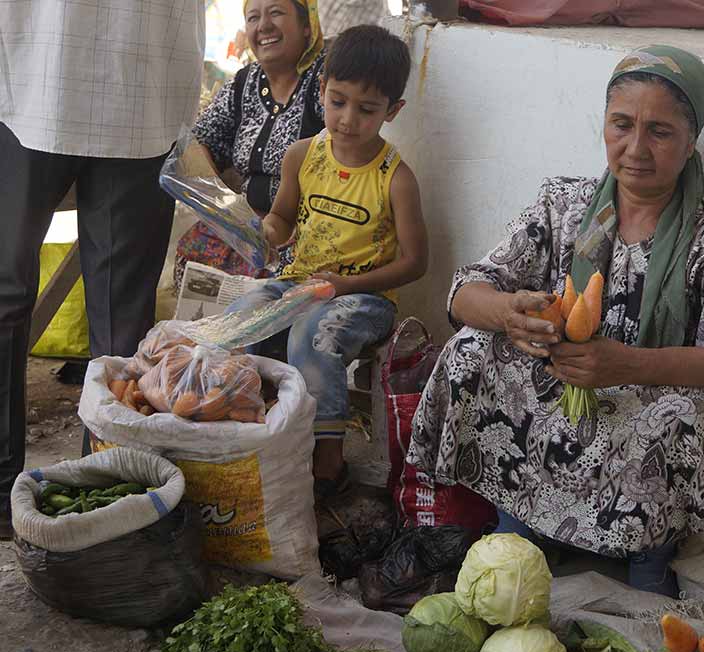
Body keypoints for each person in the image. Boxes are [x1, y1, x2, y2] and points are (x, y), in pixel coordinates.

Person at [405, 46, 704, 596]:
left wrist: (632, 365)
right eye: (621, 125)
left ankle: (648, 559)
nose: (635, 149)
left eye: (660, 132)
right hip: (564, 391)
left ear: (690, 140)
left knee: (678, 415)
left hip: (647, 407)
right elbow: (465, 291)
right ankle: (521, 524)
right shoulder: (564, 206)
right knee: (472, 349)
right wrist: (510, 315)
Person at [0, 1, 206, 539]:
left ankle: (103, 499)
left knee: (119, 326)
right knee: (17, 301)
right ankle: (69, 501)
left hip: (136, 83)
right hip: (27, 78)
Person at [228, 25, 429, 500]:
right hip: (299, 283)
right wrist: (267, 233)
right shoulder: (303, 155)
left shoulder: (395, 179)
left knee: (313, 334)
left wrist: (344, 285)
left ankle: (328, 462)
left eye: (367, 109)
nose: (347, 119)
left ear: (392, 111)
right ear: (321, 90)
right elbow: (280, 217)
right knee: (242, 316)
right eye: (338, 101)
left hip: (365, 298)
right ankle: (249, 430)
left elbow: (416, 262)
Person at [176, 0, 326, 290]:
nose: (264, 26)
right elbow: (197, 142)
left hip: (305, 230)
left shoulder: (325, 81)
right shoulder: (244, 82)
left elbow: (347, 151)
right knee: (194, 257)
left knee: (266, 285)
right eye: (253, 17)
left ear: (307, 25)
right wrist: (226, 212)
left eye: (276, 13)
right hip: (248, 228)